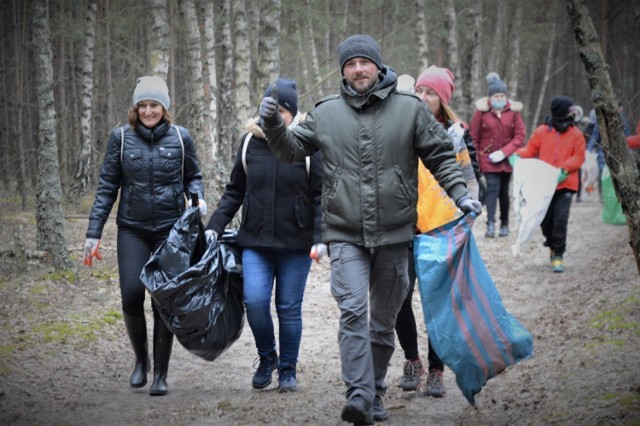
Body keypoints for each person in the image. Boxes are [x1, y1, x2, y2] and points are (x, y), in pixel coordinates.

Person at [258, 34, 481, 425]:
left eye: (364, 62)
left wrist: (460, 194)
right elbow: (291, 150)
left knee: (382, 322)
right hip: (344, 232)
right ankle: (359, 395)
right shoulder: (325, 112)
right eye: (350, 64)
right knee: (353, 313)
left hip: (396, 233)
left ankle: (375, 390)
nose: (358, 69)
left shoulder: (409, 109)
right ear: (342, 70)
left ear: (378, 65)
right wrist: (274, 125)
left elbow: (441, 156)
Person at [83, 76, 206, 396]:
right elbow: (107, 188)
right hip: (133, 230)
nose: (148, 111)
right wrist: (93, 233)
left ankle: (161, 374)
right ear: (135, 108)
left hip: (170, 231)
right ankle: (141, 361)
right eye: (143, 105)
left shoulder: (181, 138)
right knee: (132, 294)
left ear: (164, 108)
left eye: (154, 105)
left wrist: (197, 197)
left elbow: (193, 176)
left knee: (162, 299)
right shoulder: (120, 138)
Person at [204, 78, 324, 393]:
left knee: (288, 307)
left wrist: (320, 237)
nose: (274, 116)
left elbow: (320, 197)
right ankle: (267, 357)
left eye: (283, 111)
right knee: (255, 301)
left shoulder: (308, 145)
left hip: (296, 244)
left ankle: (287, 371)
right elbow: (234, 192)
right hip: (255, 241)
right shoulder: (249, 143)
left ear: (293, 114)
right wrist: (214, 226)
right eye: (271, 110)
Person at [395, 65, 480, 398]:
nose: (423, 97)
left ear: (442, 99)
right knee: (399, 297)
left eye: (431, 92)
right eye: (420, 90)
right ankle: (412, 360)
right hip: (403, 225)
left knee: (438, 302)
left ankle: (435, 370)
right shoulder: (401, 126)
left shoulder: (456, 133)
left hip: (442, 228)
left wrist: (469, 214)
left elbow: (469, 177)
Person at [510, 95, 585, 273]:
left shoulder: (576, 134)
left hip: (566, 183)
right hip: (544, 185)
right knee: (545, 220)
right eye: (570, 111)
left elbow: (579, 156)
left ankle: (558, 255)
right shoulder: (542, 131)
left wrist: (565, 169)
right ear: (561, 112)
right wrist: (518, 154)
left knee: (560, 219)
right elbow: (531, 149)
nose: (573, 114)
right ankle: (551, 244)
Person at [470, 72, 526, 238]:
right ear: (490, 97)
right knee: (492, 190)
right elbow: (474, 137)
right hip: (488, 159)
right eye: (496, 95)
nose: (499, 98)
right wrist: (477, 159)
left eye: (502, 95)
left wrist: (505, 152)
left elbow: (520, 136)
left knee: (504, 192)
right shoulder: (481, 112)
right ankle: (491, 224)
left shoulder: (513, 113)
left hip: (507, 160)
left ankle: (505, 224)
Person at [587, 100, 631, 199]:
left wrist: (629, 148)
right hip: (603, 152)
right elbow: (595, 135)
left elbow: (627, 136)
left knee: (617, 174)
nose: (621, 110)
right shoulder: (602, 120)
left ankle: (616, 195)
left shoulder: (623, 120)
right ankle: (603, 194)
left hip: (619, 153)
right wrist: (588, 150)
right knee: (603, 172)